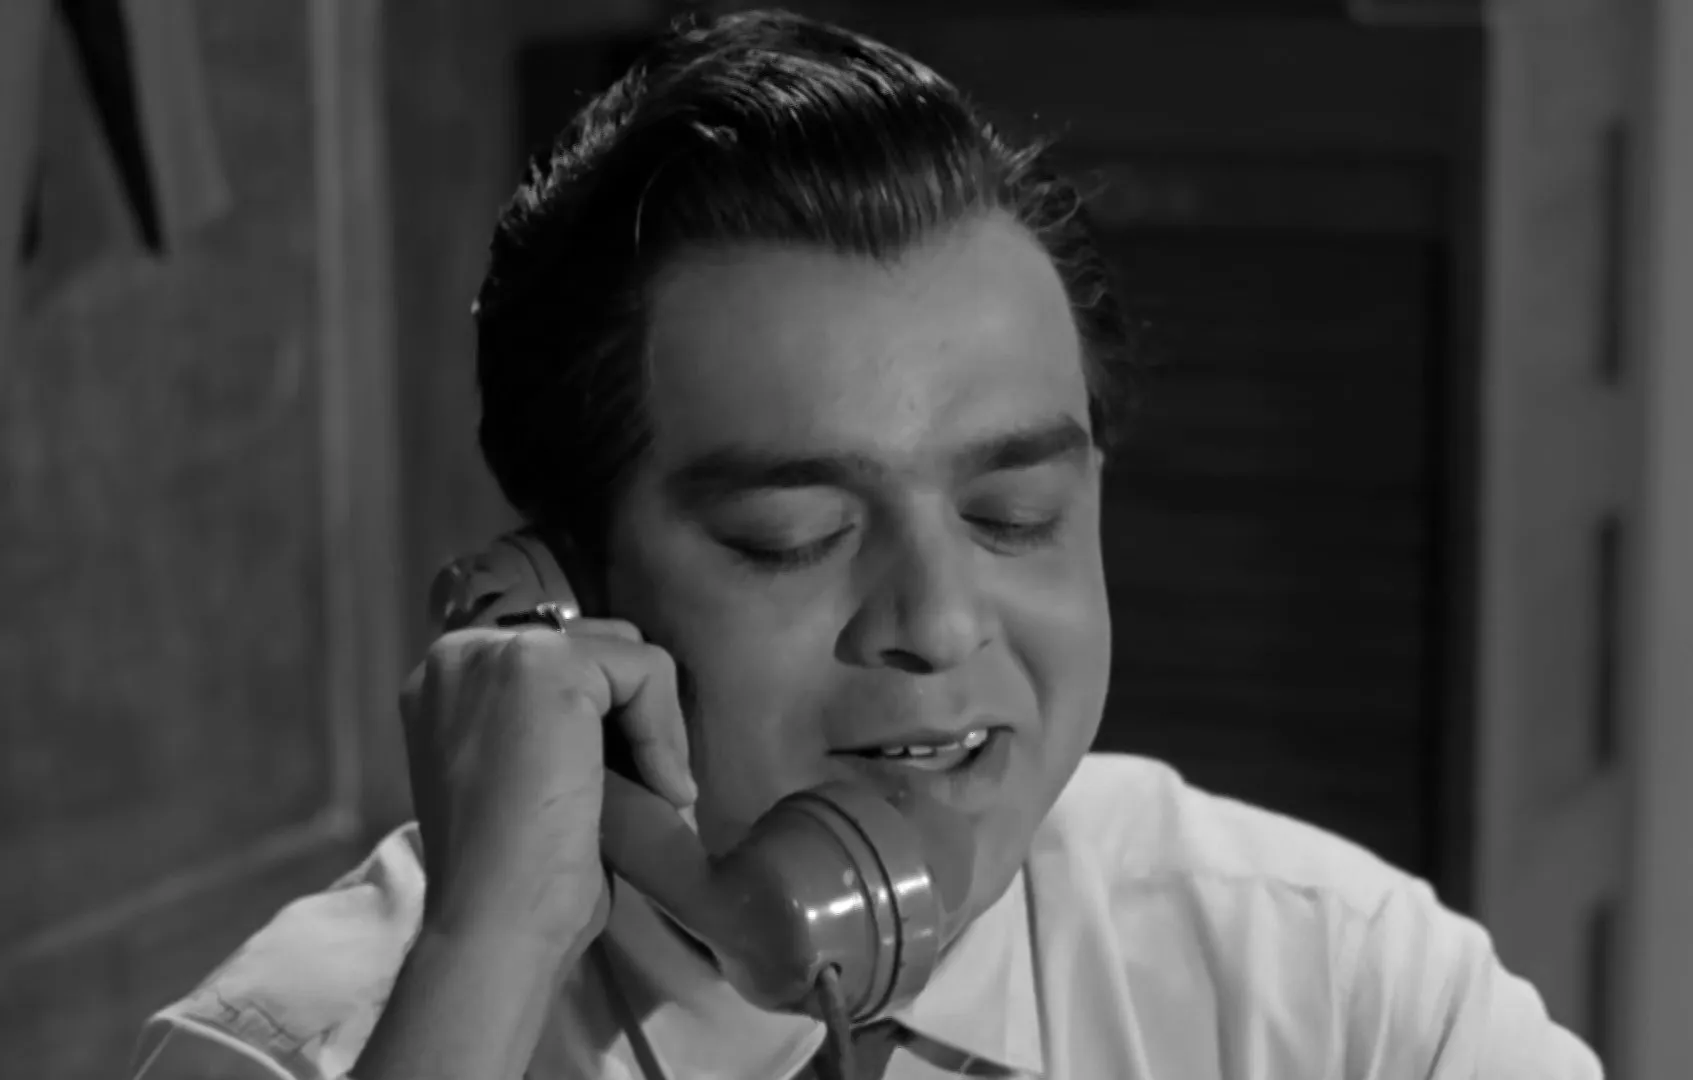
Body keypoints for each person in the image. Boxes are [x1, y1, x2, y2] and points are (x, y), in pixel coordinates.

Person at [130, 10, 1602, 1080]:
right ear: (562, 601)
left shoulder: (1336, 984)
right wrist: (489, 961)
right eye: (796, 537)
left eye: (1014, 516)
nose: (940, 621)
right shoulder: (303, 1046)